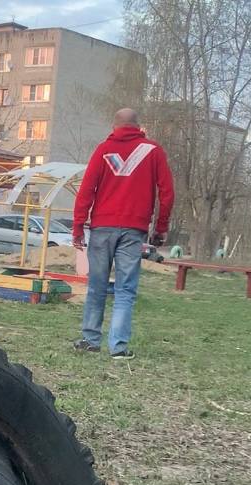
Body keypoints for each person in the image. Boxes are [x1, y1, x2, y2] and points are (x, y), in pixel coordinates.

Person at [72, 108, 175, 360]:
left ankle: (90, 339)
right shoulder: (153, 151)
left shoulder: (103, 150)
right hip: (133, 229)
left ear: (114, 125)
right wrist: (160, 227)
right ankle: (118, 347)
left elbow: (86, 190)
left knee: (96, 286)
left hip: (101, 228)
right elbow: (167, 193)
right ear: (138, 125)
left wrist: (77, 226)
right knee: (125, 289)